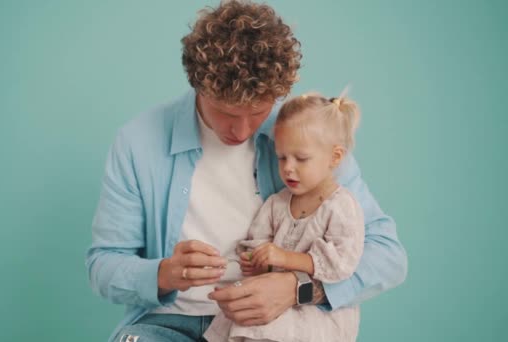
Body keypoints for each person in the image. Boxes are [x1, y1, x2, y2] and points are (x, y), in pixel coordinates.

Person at [86, 1, 407, 341]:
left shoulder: (307, 140)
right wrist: (164, 273)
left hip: (273, 326)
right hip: (168, 325)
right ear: (199, 85)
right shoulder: (138, 143)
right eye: (225, 112)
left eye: (257, 112)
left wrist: (295, 287)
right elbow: (104, 265)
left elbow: (387, 256)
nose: (240, 131)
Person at [204, 92, 366, 342]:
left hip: (311, 312)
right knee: (242, 319)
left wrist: (284, 257)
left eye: (301, 159)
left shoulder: (341, 206)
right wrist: (257, 259)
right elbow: (258, 239)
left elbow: (340, 263)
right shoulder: (277, 203)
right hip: (269, 300)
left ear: (335, 157)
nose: (288, 167)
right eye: (282, 157)